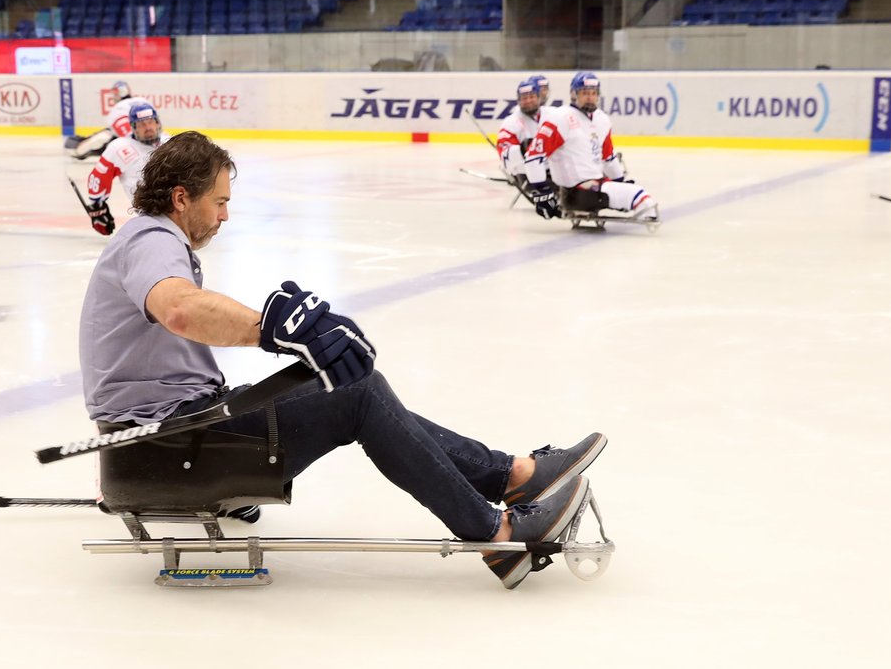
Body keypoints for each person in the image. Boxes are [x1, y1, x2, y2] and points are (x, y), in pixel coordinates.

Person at [78, 131, 609, 589]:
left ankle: (514, 476)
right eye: (217, 201)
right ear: (179, 198)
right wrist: (274, 329)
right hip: (163, 444)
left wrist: (290, 341)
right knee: (355, 392)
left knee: (348, 384)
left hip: (170, 433)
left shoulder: (148, 239)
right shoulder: (151, 237)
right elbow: (180, 310)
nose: (224, 213)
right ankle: (498, 533)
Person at [523, 72, 658, 221]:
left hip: (595, 184)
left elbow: (608, 157)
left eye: (594, 93)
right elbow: (533, 156)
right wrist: (542, 193)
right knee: (642, 198)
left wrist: (620, 181)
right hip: (575, 191)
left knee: (638, 195)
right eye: (585, 93)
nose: (590, 97)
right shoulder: (560, 118)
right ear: (574, 94)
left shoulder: (602, 119)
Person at [82, 102, 170, 235]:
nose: (147, 128)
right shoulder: (119, 148)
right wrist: (97, 207)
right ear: (133, 128)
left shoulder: (170, 142)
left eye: (150, 122)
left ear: (157, 123)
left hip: (177, 208)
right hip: (148, 214)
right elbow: (99, 176)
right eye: (141, 124)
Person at [497, 77, 559, 220]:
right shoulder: (510, 123)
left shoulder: (554, 114)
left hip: (557, 167)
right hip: (528, 175)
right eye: (524, 98)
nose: (528, 101)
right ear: (518, 100)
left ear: (539, 97)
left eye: (531, 96)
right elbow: (506, 158)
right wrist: (523, 149)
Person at [65, 80, 154, 160]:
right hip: (150, 136)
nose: (114, 96)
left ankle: (81, 150)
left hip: (128, 141)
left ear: (121, 93)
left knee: (101, 137)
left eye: (115, 93)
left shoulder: (118, 107)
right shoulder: (142, 100)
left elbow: (121, 131)